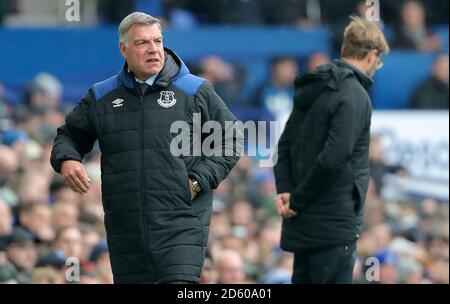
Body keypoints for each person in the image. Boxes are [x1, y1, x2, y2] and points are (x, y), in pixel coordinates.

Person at [50, 12, 241, 284]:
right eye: (142, 43)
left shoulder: (194, 90)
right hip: (125, 232)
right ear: (123, 49)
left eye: (158, 41)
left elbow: (231, 137)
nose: (153, 49)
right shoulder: (103, 96)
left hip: (181, 225)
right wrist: (68, 159)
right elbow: (68, 136)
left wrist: (197, 181)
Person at [273, 16, 390, 284]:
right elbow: (332, 160)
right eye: (379, 60)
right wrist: (297, 199)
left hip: (302, 223)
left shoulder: (314, 85)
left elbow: (283, 147)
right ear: (372, 55)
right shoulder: (355, 95)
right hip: (333, 225)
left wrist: (287, 193)